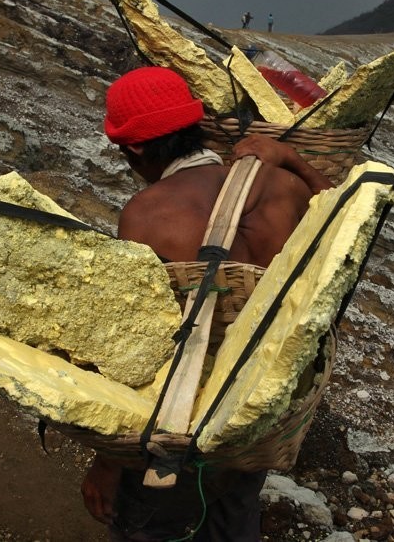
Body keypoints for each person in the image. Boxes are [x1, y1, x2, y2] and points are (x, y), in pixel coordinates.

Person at [82, 66, 331, 541]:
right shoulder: (284, 186)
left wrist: (108, 461)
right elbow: (344, 222)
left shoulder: (147, 214)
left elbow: (141, 345)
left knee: (152, 526)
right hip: (256, 407)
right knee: (232, 518)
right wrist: (292, 160)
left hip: (181, 424)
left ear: (134, 147)